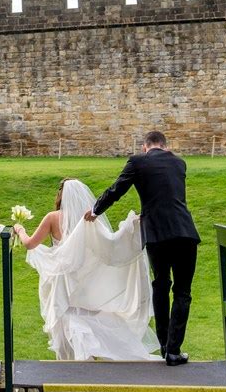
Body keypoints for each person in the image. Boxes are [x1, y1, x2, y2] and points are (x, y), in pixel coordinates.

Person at [84, 131, 200, 366]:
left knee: (160, 284)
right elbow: (168, 196)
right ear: (165, 146)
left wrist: (96, 211)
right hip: (185, 232)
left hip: (157, 234)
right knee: (183, 292)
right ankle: (174, 351)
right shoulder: (180, 162)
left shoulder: (138, 161)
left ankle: (165, 345)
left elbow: (118, 189)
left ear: (145, 146)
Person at [14, 178, 160, 361]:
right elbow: (108, 244)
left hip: (64, 279)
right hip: (85, 277)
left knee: (67, 316)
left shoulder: (53, 218)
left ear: (61, 195)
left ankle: (75, 362)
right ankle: (89, 354)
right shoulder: (89, 219)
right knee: (86, 315)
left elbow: (29, 244)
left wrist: (20, 229)